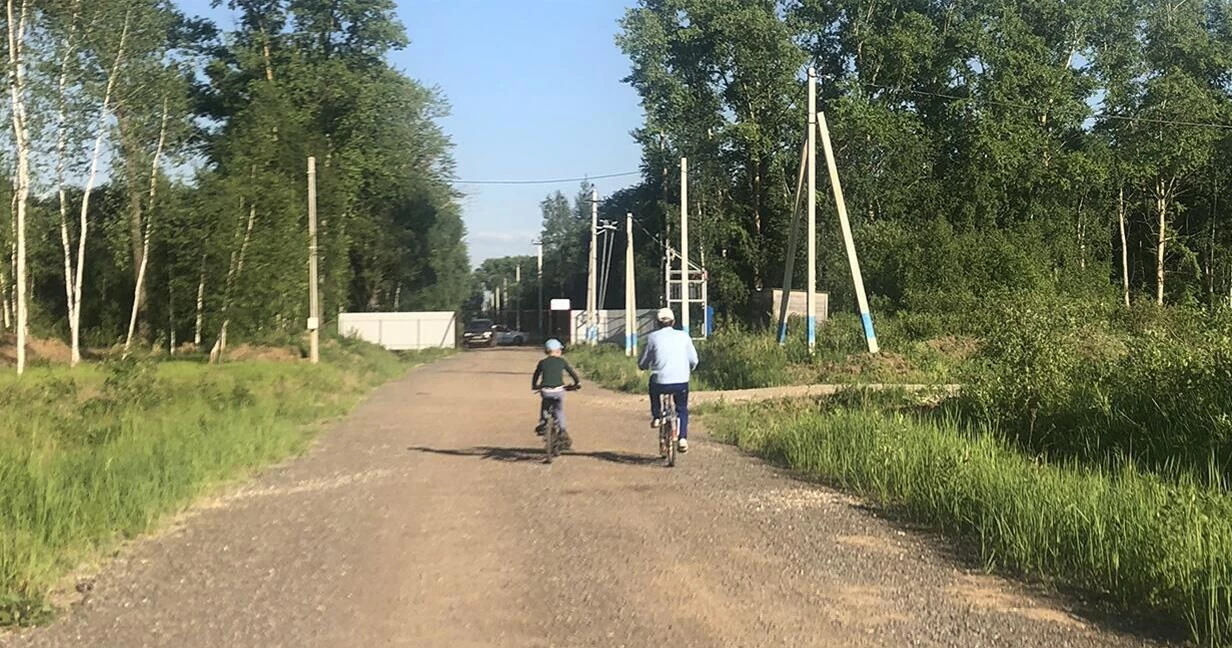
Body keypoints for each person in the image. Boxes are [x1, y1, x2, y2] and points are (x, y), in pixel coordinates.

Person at [638, 307, 698, 454]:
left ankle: (657, 416)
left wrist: (643, 366)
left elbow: (644, 361)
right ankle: (682, 438)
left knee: (653, 386)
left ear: (657, 323)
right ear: (673, 322)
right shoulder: (684, 336)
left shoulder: (652, 337)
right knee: (682, 409)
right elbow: (694, 360)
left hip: (660, 382)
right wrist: (691, 368)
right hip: (681, 382)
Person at [532, 338, 581, 449]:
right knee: (559, 410)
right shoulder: (562, 361)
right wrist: (576, 383)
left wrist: (534, 385)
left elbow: (536, 375)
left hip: (546, 391)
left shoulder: (542, 362)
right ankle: (562, 430)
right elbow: (572, 374)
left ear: (546, 351)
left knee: (545, 405)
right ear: (558, 350)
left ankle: (544, 422)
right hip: (559, 391)